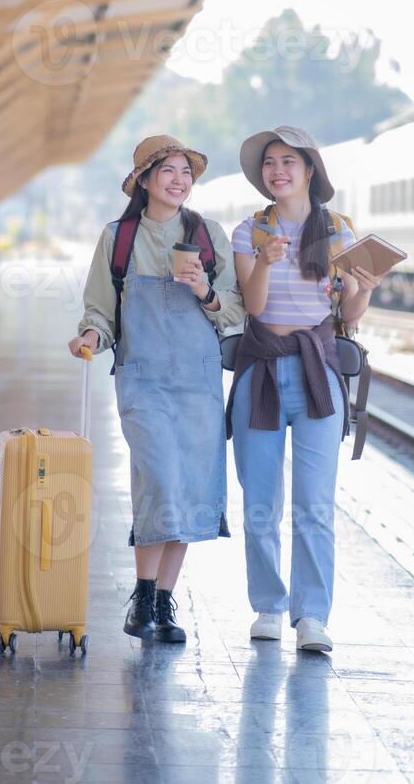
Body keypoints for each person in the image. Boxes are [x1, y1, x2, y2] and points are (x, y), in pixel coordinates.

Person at [69, 135, 245, 643]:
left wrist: (204, 292)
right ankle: (142, 594)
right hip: (143, 380)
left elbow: (235, 309)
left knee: (190, 487)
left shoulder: (207, 235)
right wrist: (90, 336)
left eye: (186, 172)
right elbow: (100, 309)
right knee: (162, 481)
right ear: (144, 180)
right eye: (168, 170)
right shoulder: (118, 237)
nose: (179, 180)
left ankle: (161, 605)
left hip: (198, 381)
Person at [227, 126, 386, 652]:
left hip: (318, 373)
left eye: (288, 162)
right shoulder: (250, 232)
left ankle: (312, 616)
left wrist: (361, 289)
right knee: (259, 503)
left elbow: (349, 313)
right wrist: (267, 263)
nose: (278, 171)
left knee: (315, 505)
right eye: (270, 163)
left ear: (310, 170)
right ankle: (269, 607)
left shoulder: (339, 233)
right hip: (263, 372)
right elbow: (253, 306)